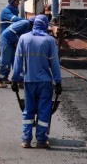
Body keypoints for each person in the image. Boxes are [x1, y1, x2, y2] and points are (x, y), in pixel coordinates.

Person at [10, 15, 61, 149]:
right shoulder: (49, 41)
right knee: (44, 110)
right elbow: (55, 63)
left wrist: (14, 79)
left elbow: (17, 61)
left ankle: (26, 140)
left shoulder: (24, 38)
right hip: (45, 82)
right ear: (45, 25)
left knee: (28, 109)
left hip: (29, 80)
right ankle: (41, 140)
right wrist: (58, 81)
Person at [0, 17, 33, 88]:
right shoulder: (25, 23)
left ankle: (19, 80)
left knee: (16, 60)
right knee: (5, 61)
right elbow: (12, 30)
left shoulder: (30, 28)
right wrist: (18, 40)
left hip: (13, 42)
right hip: (6, 40)